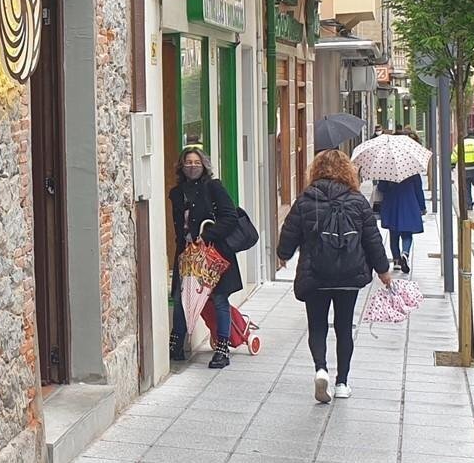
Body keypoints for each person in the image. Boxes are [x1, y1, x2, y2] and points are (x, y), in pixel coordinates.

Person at [276, 150, 392, 403]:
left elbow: (289, 232)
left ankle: (321, 369)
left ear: (316, 170)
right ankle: (342, 383)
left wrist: (283, 255)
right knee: (344, 327)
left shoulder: (305, 200)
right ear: (347, 171)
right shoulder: (357, 201)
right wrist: (383, 271)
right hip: (349, 275)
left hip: (315, 274)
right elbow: (372, 240)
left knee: (317, 325)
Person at [170, 145, 248, 368]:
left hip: (214, 253)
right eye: (188, 163)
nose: (192, 166)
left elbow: (230, 217)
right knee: (181, 298)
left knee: (220, 299)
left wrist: (206, 235)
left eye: (196, 163)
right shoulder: (177, 193)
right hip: (188, 254)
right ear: (181, 166)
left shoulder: (213, 187)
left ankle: (222, 350)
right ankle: (176, 345)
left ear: (204, 165)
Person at [375, 132, 428, 274]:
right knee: (407, 233)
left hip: (392, 204)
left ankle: (397, 261)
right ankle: (405, 253)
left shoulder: (386, 167)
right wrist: (422, 207)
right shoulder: (412, 168)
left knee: (393, 234)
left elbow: (382, 188)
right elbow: (418, 189)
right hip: (409, 203)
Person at [452, 132, 474, 210]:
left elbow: (453, 158)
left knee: (466, 188)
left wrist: (452, 165)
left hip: (465, 170)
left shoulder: (460, 144)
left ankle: (468, 205)